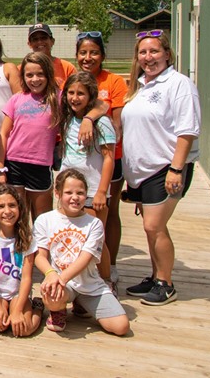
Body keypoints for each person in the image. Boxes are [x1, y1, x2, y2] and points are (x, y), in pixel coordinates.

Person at [122, 30, 200, 306]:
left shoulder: (179, 84)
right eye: (143, 52)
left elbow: (187, 130)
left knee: (155, 226)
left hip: (165, 166)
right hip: (140, 171)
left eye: (154, 51)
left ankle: (166, 284)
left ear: (167, 53)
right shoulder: (141, 85)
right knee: (148, 228)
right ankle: (155, 277)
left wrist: (177, 169)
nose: (148, 57)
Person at [35, 169, 129, 335]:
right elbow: (40, 256)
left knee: (121, 327)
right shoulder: (45, 220)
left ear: (86, 195)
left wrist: (62, 278)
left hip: (89, 283)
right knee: (51, 295)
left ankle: (81, 302)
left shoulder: (94, 224)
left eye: (80, 193)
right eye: (68, 192)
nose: (75, 197)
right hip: (59, 282)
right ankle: (58, 310)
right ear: (57, 193)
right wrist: (51, 274)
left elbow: (85, 258)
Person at [75, 31, 127, 285]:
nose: (88, 57)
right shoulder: (73, 82)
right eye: (83, 52)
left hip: (108, 157)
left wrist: (89, 118)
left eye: (94, 52)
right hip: (77, 164)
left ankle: (110, 268)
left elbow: (110, 112)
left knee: (107, 213)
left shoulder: (114, 81)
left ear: (103, 56)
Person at [59, 72, 116, 287]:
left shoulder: (102, 123)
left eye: (81, 93)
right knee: (75, 238)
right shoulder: (67, 118)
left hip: (92, 190)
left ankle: (106, 281)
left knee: (96, 242)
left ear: (90, 95)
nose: (75, 98)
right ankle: (80, 283)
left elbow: (109, 158)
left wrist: (102, 191)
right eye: (71, 93)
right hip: (68, 188)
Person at [0, 52, 61, 219]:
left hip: (40, 164)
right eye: (29, 75)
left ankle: (41, 246)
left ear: (48, 75)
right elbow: (4, 133)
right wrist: (0, 166)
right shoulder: (16, 99)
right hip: (14, 162)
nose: (35, 79)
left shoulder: (58, 99)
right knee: (16, 215)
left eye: (40, 74)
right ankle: (19, 245)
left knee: (42, 217)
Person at [0, 185, 41, 337]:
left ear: (19, 208)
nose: (7, 211)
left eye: (12, 205)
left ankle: (38, 307)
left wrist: (18, 310)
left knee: (23, 329)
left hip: (17, 293)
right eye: (1, 206)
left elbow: (26, 277)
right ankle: (1, 307)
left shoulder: (28, 237)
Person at [27, 23, 76, 88]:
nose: (39, 42)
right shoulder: (23, 69)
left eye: (44, 38)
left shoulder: (67, 68)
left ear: (52, 41)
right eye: (35, 39)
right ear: (29, 44)